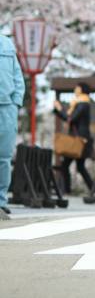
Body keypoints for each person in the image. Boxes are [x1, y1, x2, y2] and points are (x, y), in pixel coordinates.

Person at [54, 82, 95, 194]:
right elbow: (70, 118)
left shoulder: (83, 103)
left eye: (77, 87)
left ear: (81, 89)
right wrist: (59, 111)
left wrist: (59, 108)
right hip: (80, 139)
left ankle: (67, 190)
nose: (75, 89)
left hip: (80, 140)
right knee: (78, 166)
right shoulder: (80, 103)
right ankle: (92, 189)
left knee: (67, 165)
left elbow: (71, 118)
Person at [0, 34, 25, 219]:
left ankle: (1, 202)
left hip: (7, 107)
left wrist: (16, 102)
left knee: (4, 157)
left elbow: (18, 76)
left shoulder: (7, 44)